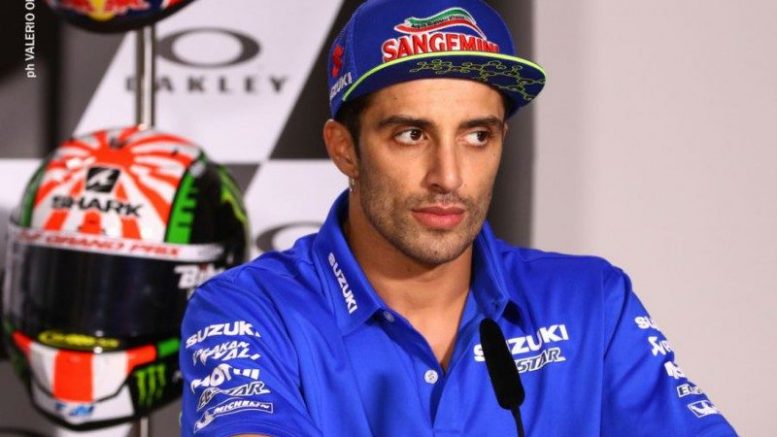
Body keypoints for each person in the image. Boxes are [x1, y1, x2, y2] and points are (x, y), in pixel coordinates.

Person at [179, 0, 738, 435]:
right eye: (411, 134)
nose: (448, 176)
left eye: (477, 136)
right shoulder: (250, 309)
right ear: (344, 149)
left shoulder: (592, 301)